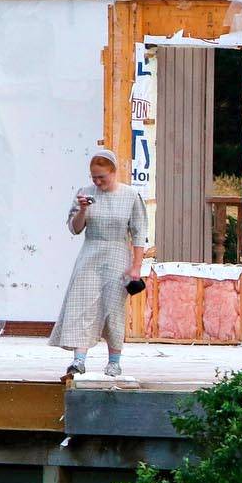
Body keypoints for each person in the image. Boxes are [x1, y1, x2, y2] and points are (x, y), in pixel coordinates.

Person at [51, 147, 148, 378]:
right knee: (82, 303)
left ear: (113, 172)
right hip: (91, 252)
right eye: (94, 177)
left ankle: (114, 361)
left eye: (101, 177)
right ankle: (79, 360)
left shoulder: (130, 195)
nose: (97, 181)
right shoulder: (85, 193)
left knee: (113, 308)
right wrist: (83, 210)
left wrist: (136, 266)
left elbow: (139, 232)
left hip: (117, 253)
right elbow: (75, 229)